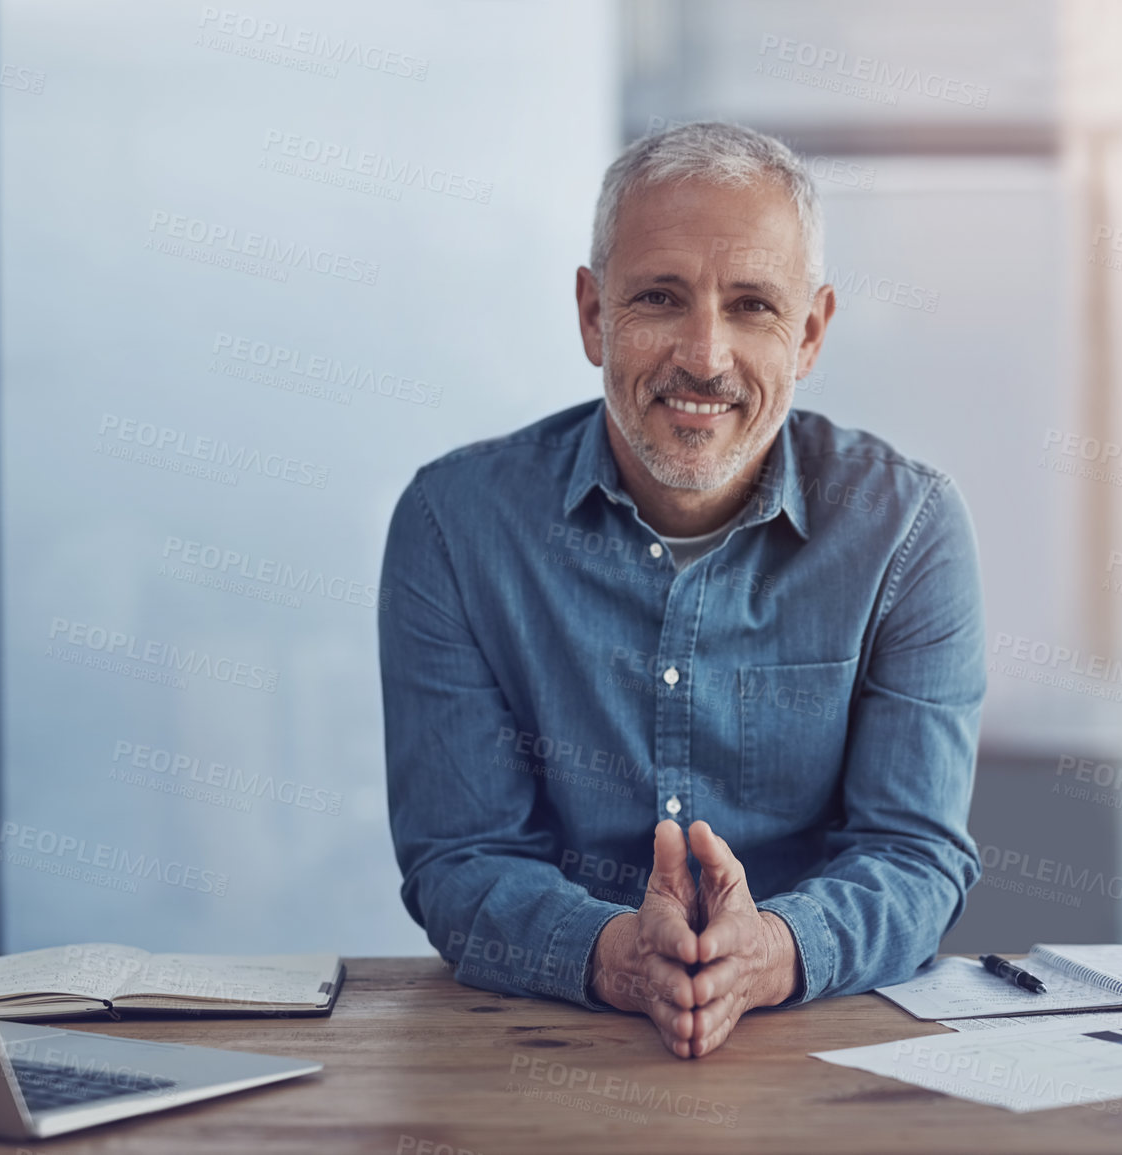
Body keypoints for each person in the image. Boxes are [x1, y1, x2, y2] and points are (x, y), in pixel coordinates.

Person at [380, 121, 984, 1059]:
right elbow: (462, 857)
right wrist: (610, 951)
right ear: (592, 315)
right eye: (661, 297)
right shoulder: (453, 525)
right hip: (539, 1051)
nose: (704, 355)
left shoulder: (905, 531)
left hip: (824, 1052)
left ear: (812, 331)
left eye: (751, 306)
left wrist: (772, 951)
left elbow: (913, 855)